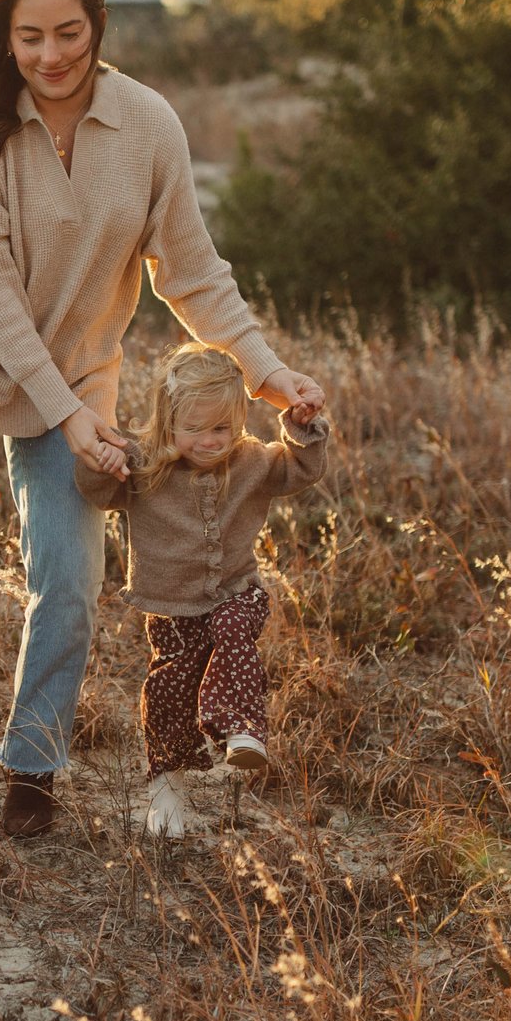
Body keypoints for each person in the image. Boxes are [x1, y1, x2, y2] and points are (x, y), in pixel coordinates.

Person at [0, 0, 325, 837]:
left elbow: (189, 269)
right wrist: (71, 419)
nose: (51, 55)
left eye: (68, 32)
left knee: (72, 576)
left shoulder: (148, 124)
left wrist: (268, 374)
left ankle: (32, 765)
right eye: (29, 37)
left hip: (77, 372)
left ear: (98, 23)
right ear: (6, 40)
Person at [75, 344, 330, 837]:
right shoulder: (144, 463)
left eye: (222, 428)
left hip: (237, 589)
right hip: (171, 606)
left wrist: (299, 427)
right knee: (171, 687)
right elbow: (101, 492)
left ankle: (239, 727)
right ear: (168, 423)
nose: (212, 442)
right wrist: (99, 459)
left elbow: (302, 468)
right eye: (196, 429)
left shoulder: (252, 460)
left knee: (235, 626)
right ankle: (165, 787)